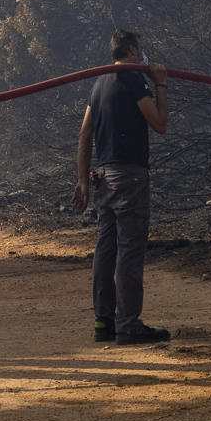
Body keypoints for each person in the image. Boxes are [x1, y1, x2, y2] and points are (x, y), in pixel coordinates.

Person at [73, 30, 171, 345]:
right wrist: (160, 83)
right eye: (141, 48)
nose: (144, 54)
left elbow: (84, 134)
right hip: (129, 176)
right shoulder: (132, 79)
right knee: (129, 248)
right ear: (130, 50)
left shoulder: (100, 82)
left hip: (103, 175)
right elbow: (159, 123)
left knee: (106, 247)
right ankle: (129, 323)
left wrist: (82, 178)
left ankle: (105, 322)